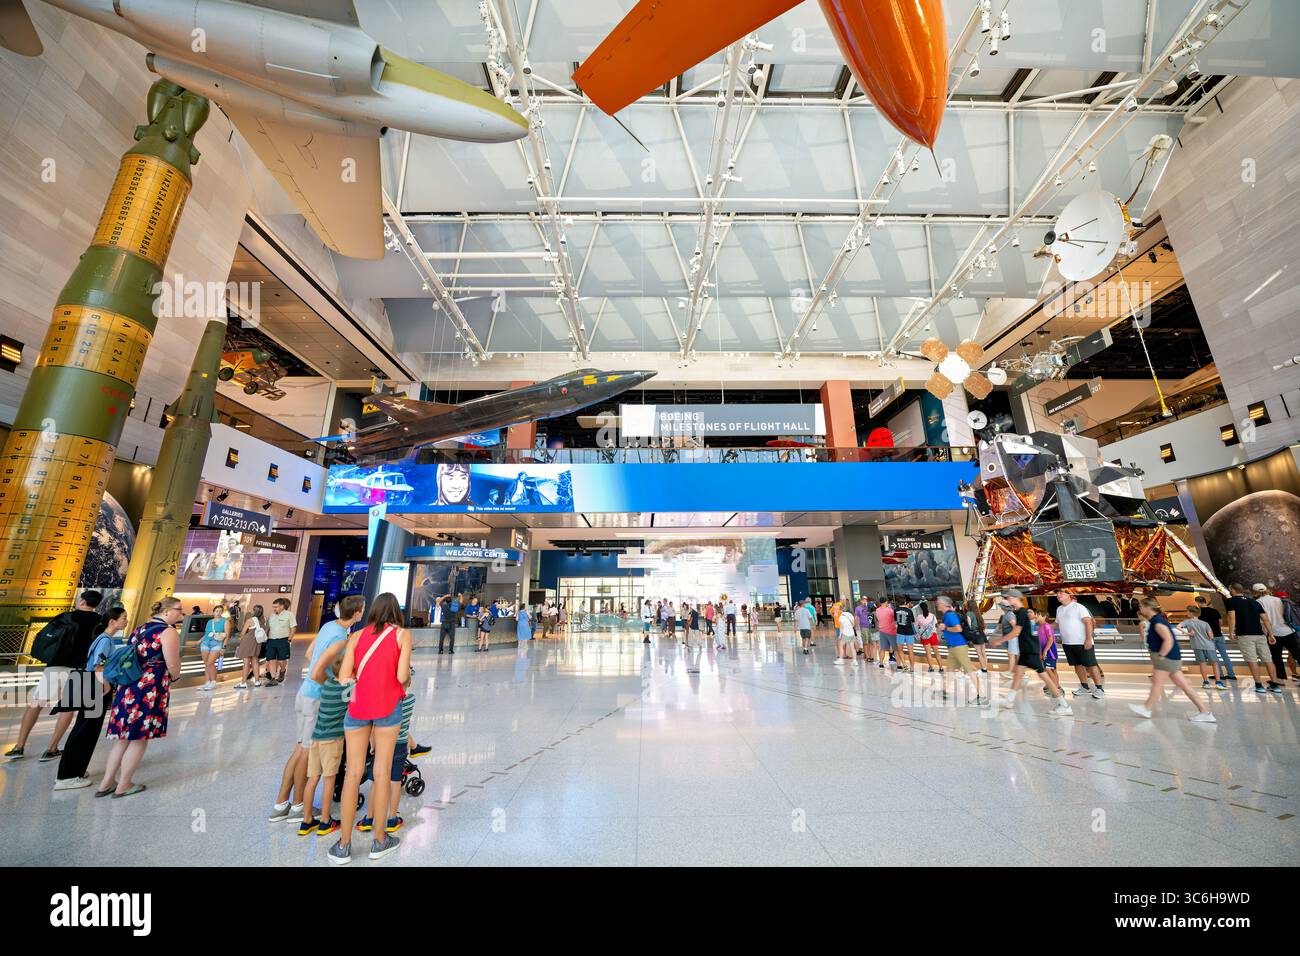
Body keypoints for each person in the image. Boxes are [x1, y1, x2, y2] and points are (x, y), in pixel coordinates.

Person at [329, 593, 412, 864]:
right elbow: (401, 677)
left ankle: (343, 845)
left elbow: (343, 677)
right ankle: (379, 840)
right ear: (395, 612)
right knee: (382, 770)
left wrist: (361, 678)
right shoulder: (401, 635)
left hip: (357, 708)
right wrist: (405, 678)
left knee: (352, 773)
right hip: (388, 706)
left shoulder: (356, 637)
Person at [272, 595, 364, 827]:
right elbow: (316, 672)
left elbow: (310, 655)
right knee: (307, 751)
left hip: (304, 694)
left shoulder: (327, 626)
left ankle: (282, 803)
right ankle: (298, 806)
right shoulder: (341, 639)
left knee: (299, 748)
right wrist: (334, 682)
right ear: (356, 614)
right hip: (315, 698)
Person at [94, 597, 183, 797]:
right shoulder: (168, 632)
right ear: (167, 611)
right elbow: (172, 664)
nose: (181, 614)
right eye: (179, 610)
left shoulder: (140, 628)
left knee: (123, 737)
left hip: (129, 685)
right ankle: (124, 784)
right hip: (149, 688)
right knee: (139, 737)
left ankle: (106, 783)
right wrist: (175, 677)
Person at [4, 590, 105, 762]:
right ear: (96, 604)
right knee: (68, 708)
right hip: (79, 670)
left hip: (56, 665)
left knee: (36, 703)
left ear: (82, 601)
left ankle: (19, 746)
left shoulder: (66, 616)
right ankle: (51, 748)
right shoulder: (100, 622)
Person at [53, 606, 128, 790]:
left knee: (85, 729)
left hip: (91, 685)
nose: (126, 620)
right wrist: (107, 685)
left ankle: (75, 770)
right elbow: (98, 665)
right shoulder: (105, 640)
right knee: (85, 731)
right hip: (96, 687)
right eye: (124, 618)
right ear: (112, 621)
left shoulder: (103, 638)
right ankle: (67, 776)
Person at [1129, 597, 1216, 722]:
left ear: (1149, 607)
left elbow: (1168, 639)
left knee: (1157, 683)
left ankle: (1147, 708)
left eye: (1142, 606)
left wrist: (1162, 655)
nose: (1140, 608)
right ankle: (1205, 712)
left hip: (1167, 658)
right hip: (1171, 658)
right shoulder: (1156, 620)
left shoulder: (1157, 621)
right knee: (1184, 686)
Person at [990, 590, 1071, 715]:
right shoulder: (1019, 613)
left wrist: (999, 641)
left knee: (1045, 677)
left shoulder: (1022, 613)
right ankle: (1009, 700)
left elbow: (1016, 632)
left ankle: (1064, 705)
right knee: (1018, 674)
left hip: (1030, 651)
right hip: (1027, 650)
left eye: (1008, 598)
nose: (1006, 600)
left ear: (1015, 598)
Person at [1225, 583, 1281, 694]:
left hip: (1245, 635)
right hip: (1260, 635)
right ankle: (1275, 685)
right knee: (1268, 660)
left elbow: (1232, 616)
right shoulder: (1254, 602)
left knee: (1252, 660)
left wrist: (1231, 631)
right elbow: (1265, 619)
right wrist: (1271, 634)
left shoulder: (1231, 601)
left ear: (1232, 590)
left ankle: (1259, 685)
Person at [1055, 589, 1104, 699]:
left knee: (1091, 665)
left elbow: (1088, 622)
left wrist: (1088, 639)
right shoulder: (1059, 609)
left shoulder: (1078, 607)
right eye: (1057, 593)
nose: (1058, 595)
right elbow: (1056, 624)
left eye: (1061, 593)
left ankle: (1099, 688)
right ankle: (1084, 687)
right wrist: (1042, 626)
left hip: (1082, 642)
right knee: (1077, 665)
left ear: (1069, 595)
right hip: (1067, 643)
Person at [937, 596, 982, 703]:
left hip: (959, 647)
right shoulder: (946, 616)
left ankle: (981, 695)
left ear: (944, 604)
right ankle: (945, 691)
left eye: (939, 603)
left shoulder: (950, 615)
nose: (937, 604)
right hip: (953, 648)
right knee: (950, 671)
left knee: (969, 671)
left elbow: (958, 628)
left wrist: (945, 628)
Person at [1254, 584, 1300, 684]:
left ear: (1255, 592)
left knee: (1276, 657)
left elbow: (1263, 620)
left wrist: (1267, 634)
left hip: (1273, 633)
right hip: (1288, 631)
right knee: (1298, 654)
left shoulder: (1258, 602)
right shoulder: (1278, 599)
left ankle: (1281, 679)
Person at [1193, 595, 1236, 681]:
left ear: (1197, 602)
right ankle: (1231, 674)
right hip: (1219, 635)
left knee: (1214, 657)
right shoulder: (1215, 611)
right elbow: (1220, 622)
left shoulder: (1198, 612)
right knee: (1225, 655)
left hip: (1208, 637)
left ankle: (1220, 675)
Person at [1183, 604, 1226, 689]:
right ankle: (1218, 682)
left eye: (1187, 611)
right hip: (1209, 645)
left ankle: (1206, 682)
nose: (1187, 613)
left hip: (1197, 645)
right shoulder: (1205, 623)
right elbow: (1211, 636)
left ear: (1191, 613)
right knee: (1215, 663)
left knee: (1202, 664)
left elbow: (1179, 627)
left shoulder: (1188, 622)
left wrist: (1188, 633)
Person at [234, 604, 267, 689]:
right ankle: (257, 681)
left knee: (246, 663)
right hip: (257, 642)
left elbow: (242, 633)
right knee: (255, 662)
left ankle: (243, 683)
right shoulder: (264, 620)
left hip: (248, 642)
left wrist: (240, 639)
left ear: (253, 611)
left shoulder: (250, 620)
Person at [263, 598, 295, 685]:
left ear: (282, 606)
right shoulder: (272, 616)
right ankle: (273, 679)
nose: (274, 609)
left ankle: (282, 670)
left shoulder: (289, 615)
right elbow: (267, 628)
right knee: (271, 659)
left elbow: (293, 627)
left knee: (281, 660)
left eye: (276, 607)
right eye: (273, 607)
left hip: (283, 640)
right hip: (271, 640)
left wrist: (290, 639)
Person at [197, 604, 226, 692]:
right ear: (214, 611)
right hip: (206, 642)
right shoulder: (209, 621)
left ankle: (213, 682)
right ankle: (207, 682)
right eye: (217, 611)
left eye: (220, 611)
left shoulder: (225, 621)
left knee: (210, 663)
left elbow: (227, 635)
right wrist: (200, 641)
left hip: (217, 643)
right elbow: (206, 634)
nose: (218, 613)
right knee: (206, 663)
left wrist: (223, 647)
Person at [958, 600, 989, 673]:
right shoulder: (978, 612)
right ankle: (985, 668)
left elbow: (969, 625)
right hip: (981, 634)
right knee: (983, 652)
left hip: (975, 635)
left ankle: (983, 669)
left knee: (979, 653)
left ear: (968, 606)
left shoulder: (969, 613)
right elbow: (983, 625)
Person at [915, 601, 943, 674]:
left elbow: (917, 625)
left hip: (924, 636)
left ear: (921, 609)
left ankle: (931, 668)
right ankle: (941, 668)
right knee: (936, 652)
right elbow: (936, 624)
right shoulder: (933, 616)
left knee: (928, 653)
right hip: (933, 635)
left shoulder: (919, 617)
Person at [893, 598, 917, 672]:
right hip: (909, 632)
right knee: (910, 651)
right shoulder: (909, 610)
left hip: (900, 632)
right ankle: (912, 667)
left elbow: (895, 621)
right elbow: (913, 621)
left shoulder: (895, 610)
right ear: (905, 602)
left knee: (900, 650)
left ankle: (904, 665)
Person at [835, 600, 860, 665]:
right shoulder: (851, 616)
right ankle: (855, 661)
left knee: (841, 646)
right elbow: (854, 625)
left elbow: (841, 627)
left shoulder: (841, 617)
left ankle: (841, 660)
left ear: (842, 609)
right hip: (852, 633)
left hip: (845, 634)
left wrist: (840, 635)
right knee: (852, 647)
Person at [875, 598, 897, 668]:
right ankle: (897, 663)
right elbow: (894, 619)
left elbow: (878, 619)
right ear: (886, 602)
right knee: (895, 647)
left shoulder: (877, 610)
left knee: (882, 648)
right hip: (891, 631)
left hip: (882, 631)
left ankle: (881, 664)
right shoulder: (890, 610)